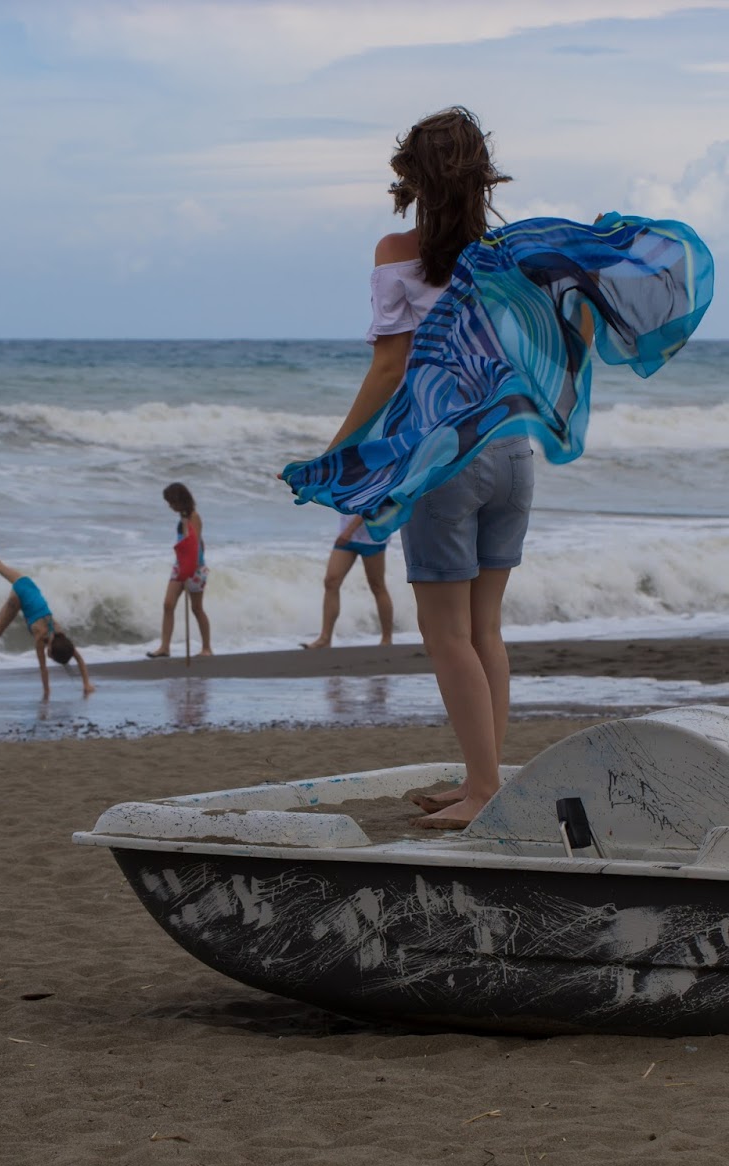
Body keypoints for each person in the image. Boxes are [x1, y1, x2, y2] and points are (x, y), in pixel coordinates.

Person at [281, 107, 713, 830]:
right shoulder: (519, 256)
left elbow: (390, 366)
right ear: (482, 174)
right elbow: (573, 334)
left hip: (446, 465)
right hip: (513, 458)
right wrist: (595, 252)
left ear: (412, 177)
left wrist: (337, 451)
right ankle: (487, 783)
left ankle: (483, 788)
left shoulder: (397, 250)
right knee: (485, 631)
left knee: (446, 634)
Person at [0, 523, 94, 699]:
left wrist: (86, 683)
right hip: (19, 595)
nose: (48, 657)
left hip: (27, 583)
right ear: (49, 649)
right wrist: (46, 693)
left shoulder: (61, 636)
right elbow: (43, 669)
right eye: (50, 656)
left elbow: (77, 658)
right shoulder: (41, 637)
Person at [302, 514, 393, 649]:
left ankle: (386, 639)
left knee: (377, 585)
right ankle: (325, 638)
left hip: (372, 536)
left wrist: (349, 531)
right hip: (347, 536)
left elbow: (369, 505)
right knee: (331, 581)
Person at [146, 482, 212, 658]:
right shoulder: (183, 517)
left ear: (180, 500)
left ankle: (207, 648)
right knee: (168, 604)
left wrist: (190, 567)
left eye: (171, 502)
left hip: (194, 567)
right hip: (179, 565)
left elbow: (194, 544)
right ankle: (164, 647)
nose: (170, 506)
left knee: (196, 608)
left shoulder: (194, 517)